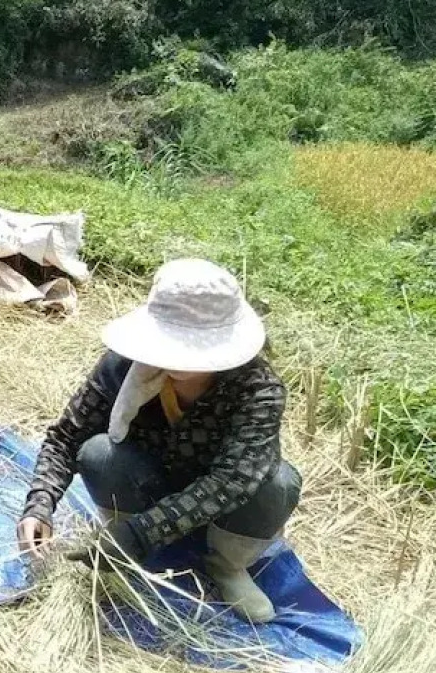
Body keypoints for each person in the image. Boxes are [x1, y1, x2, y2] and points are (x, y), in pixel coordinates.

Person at [16, 258, 302, 623]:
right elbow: (67, 436)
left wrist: (142, 532)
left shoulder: (257, 390)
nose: (177, 357)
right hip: (150, 482)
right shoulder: (124, 368)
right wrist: (39, 504)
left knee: (278, 483)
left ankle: (226, 566)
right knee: (99, 454)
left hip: (225, 507)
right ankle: (132, 551)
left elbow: (232, 481)